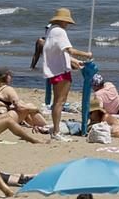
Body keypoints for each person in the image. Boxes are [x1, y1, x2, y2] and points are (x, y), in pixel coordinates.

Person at [36, 7, 90, 136]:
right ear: (63, 21)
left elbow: (59, 51)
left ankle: (56, 130)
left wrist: (74, 61)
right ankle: (56, 131)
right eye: (67, 22)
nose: (68, 25)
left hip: (55, 69)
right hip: (60, 71)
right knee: (60, 102)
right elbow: (69, 49)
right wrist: (86, 54)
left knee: (58, 101)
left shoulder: (51, 30)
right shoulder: (60, 32)